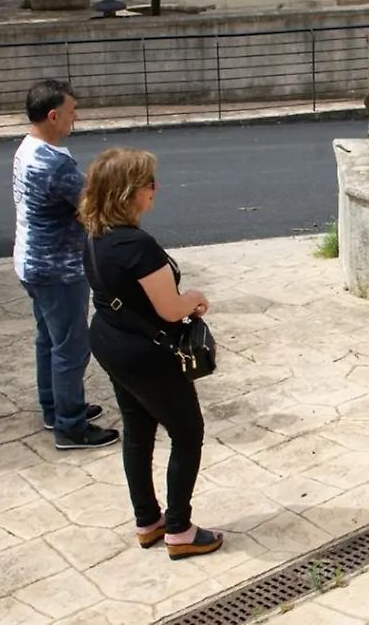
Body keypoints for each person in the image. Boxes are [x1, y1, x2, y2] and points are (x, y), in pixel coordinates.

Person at [79, 148, 223, 560]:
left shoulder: (96, 236)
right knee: (187, 432)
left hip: (111, 342)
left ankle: (148, 521)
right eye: (148, 184)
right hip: (147, 354)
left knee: (138, 431)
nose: (154, 189)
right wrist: (194, 297)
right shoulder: (137, 245)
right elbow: (170, 308)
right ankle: (179, 529)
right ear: (127, 193)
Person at [13, 80, 119, 449]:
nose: (76, 118)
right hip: (58, 269)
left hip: (31, 261)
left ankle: (55, 408)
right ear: (53, 115)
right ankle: (70, 426)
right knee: (71, 348)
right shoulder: (53, 163)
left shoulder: (28, 149)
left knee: (50, 340)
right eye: (72, 112)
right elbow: (92, 207)